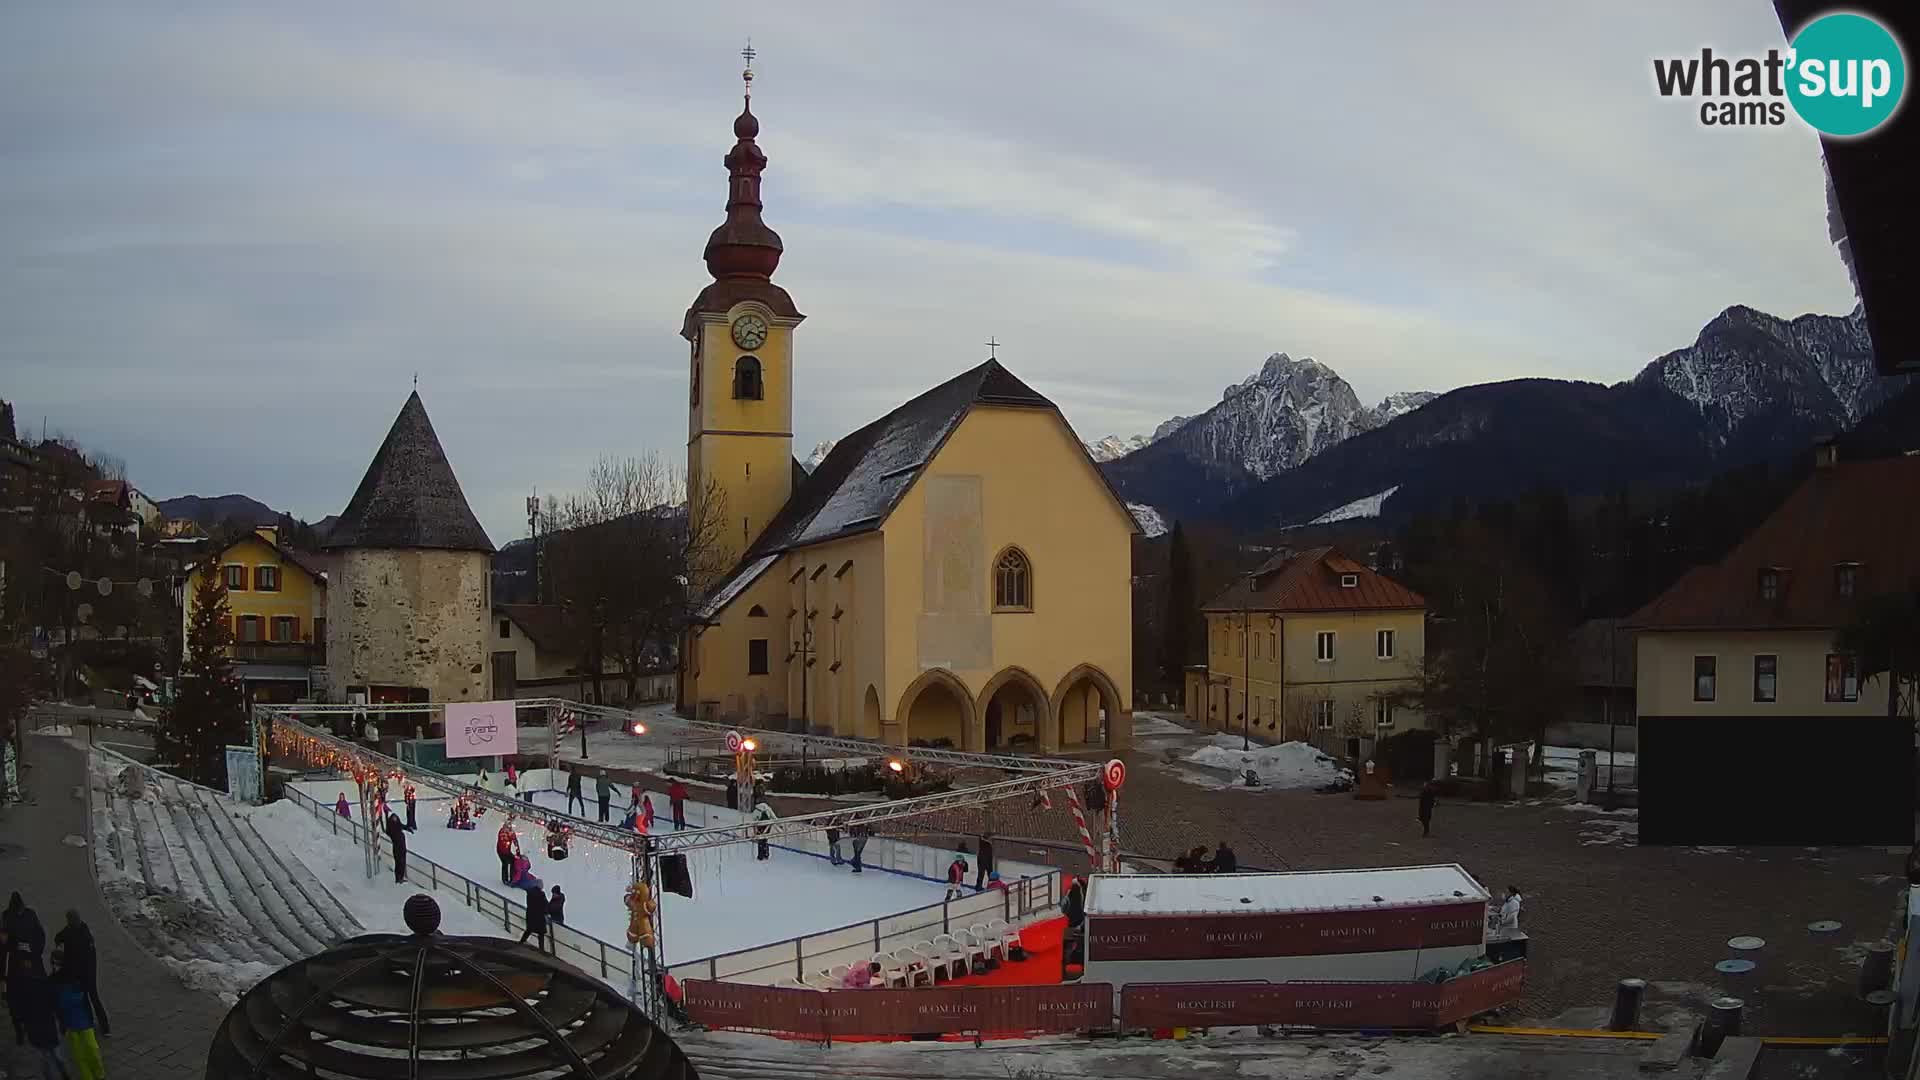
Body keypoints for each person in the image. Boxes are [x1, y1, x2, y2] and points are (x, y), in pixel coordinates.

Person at [51, 949, 104, 1080]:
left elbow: (85, 997)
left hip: (83, 1019)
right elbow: (55, 1005)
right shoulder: (53, 981)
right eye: (54, 963)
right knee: (80, 1055)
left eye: (57, 963)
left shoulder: (75, 975)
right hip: (70, 1022)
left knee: (92, 1050)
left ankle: (100, 1075)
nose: (55, 966)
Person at [54, 910, 108, 1038]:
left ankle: (90, 1023)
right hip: (89, 972)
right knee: (93, 998)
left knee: (86, 1000)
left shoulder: (71, 932)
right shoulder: (84, 930)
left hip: (80, 973)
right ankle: (105, 1027)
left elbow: (58, 939)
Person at [13, 955, 62, 1080]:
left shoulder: (20, 992)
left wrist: (21, 1028)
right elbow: (53, 1004)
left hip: (35, 1031)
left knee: (45, 1058)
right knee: (55, 1055)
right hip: (47, 1027)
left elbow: (19, 1014)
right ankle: (62, 1073)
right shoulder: (43, 984)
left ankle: (53, 1075)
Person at [5, 894, 46, 967]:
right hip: (22, 955)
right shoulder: (30, 914)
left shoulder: (8, 915)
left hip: (24, 955)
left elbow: (40, 935)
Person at [518, 884, 550, 953]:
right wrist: (546, 913)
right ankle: (541, 949)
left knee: (529, 929)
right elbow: (545, 905)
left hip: (531, 915)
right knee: (541, 933)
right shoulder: (541, 895)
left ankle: (521, 942)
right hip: (539, 916)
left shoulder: (529, 893)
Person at [386, 811, 408, 884]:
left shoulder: (398, 829)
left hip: (402, 847)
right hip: (398, 847)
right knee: (399, 862)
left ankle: (400, 877)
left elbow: (401, 825)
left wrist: (407, 827)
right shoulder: (393, 832)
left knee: (402, 862)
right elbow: (388, 831)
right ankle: (398, 878)